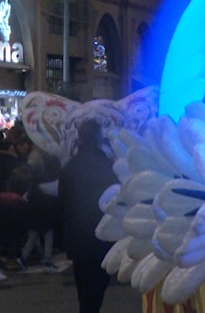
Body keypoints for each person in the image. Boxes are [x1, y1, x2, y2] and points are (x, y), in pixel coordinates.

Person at [57, 119, 116, 313]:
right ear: (99, 139)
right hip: (102, 235)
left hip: (77, 237)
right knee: (97, 287)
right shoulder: (107, 166)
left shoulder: (70, 167)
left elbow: (62, 204)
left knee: (83, 285)